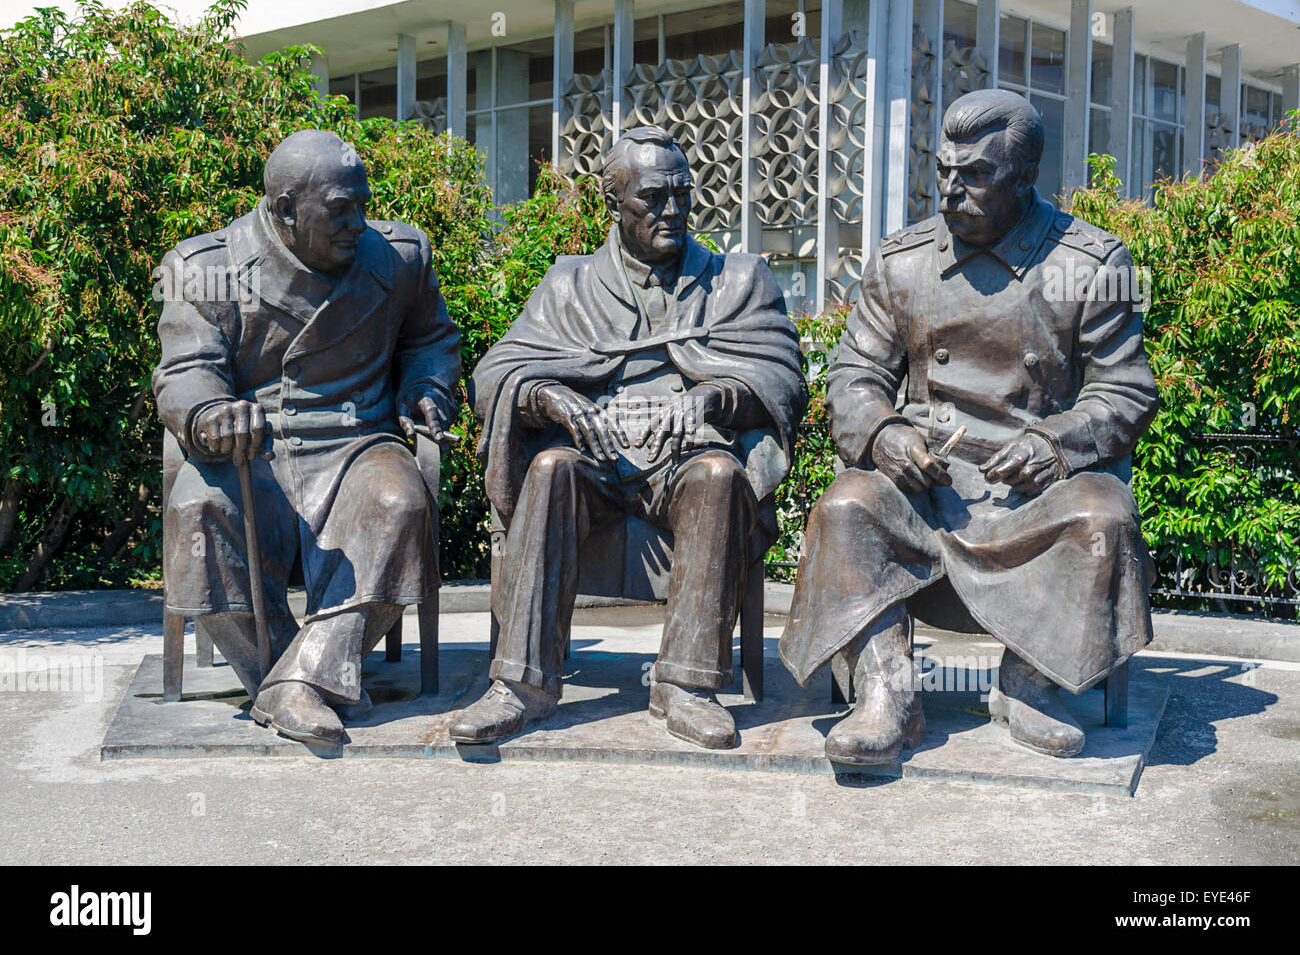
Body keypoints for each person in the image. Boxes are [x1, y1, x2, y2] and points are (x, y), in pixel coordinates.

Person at [780, 90, 1159, 763]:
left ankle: (1028, 686)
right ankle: (886, 692)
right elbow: (853, 377)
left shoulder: (1092, 264)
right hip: (926, 482)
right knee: (846, 505)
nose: (952, 190)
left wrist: (1055, 443)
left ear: (1026, 174)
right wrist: (884, 433)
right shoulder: (903, 261)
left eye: (976, 174)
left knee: (1103, 514)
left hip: (1035, 486)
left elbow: (1125, 390)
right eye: (945, 170)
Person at [453, 125, 807, 750]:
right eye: (653, 198)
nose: (673, 211)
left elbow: (782, 374)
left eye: (682, 195)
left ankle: (686, 687)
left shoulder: (738, 281)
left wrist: (714, 395)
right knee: (549, 469)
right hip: (594, 460)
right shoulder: (570, 286)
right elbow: (497, 373)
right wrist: (549, 397)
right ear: (613, 203)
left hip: (686, 457)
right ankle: (522, 685)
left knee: (721, 477)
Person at [153, 129, 461, 747]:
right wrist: (211, 410)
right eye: (339, 210)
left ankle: (294, 684)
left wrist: (424, 388)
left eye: (362, 203)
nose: (358, 222)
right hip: (252, 448)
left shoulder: (399, 258)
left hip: (357, 442)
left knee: (401, 505)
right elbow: (186, 369)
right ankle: (290, 674)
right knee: (197, 511)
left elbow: (430, 340)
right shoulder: (206, 268)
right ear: (285, 210)